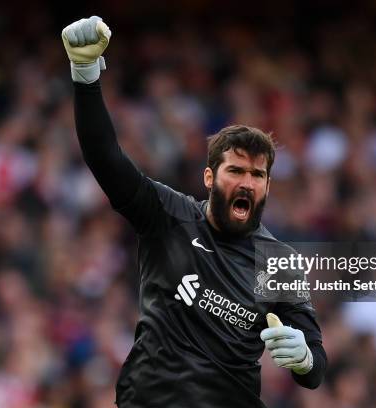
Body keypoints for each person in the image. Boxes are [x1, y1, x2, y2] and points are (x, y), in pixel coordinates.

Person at [61, 16, 327, 408]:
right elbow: (105, 159)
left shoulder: (279, 264)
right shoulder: (169, 216)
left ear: (268, 186)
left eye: (257, 175)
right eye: (235, 170)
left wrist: (304, 358)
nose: (246, 183)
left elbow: (316, 370)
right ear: (208, 176)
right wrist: (85, 77)